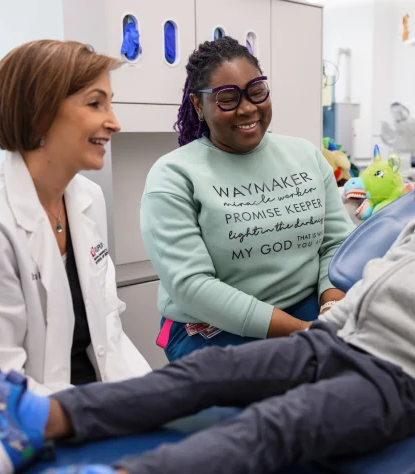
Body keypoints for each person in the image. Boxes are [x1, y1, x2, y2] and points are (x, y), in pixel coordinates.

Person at [0, 115, 415, 474]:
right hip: (332, 343)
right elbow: (370, 288)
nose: (413, 180)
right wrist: (332, 321)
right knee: (209, 371)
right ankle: (41, 420)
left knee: (275, 426)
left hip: (394, 384)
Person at [0, 40, 151, 397]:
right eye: (96, 104)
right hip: (36, 433)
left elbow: (109, 333)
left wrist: (154, 398)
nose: (114, 123)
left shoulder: (87, 199)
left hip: (100, 406)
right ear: (39, 113)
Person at [141, 36, 354, 361]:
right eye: (228, 99)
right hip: (216, 330)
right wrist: (303, 333)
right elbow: (192, 286)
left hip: (311, 311)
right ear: (199, 104)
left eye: (257, 92)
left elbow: (336, 243)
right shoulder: (173, 175)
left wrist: (331, 308)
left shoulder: (305, 155)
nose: (247, 108)